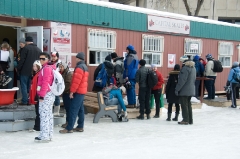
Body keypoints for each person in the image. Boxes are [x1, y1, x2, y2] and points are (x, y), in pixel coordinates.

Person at [59, 52, 89, 134]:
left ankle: (69, 128)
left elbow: (76, 82)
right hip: (82, 91)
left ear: (78, 58)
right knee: (80, 109)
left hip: (78, 91)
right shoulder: (85, 67)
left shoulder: (79, 67)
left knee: (73, 109)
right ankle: (80, 126)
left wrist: (72, 91)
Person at [35, 52, 56, 143]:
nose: (41, 60)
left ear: (47, 59)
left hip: (46, 94)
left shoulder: (46, 69)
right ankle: (49, 134)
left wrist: (42, 95)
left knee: (44, 115)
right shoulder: (49, 67)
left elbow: (45, 83)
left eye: (43, 59)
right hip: (49, 93)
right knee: (48, 115)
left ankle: (44, 135)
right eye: (40, 58)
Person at [18, 36, 41, 105]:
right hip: (34, 72)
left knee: (24, 86)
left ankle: (25, 100)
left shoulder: (25, 48)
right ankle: (30, 100)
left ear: (26, 41)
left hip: (25, 71)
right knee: (31, 86)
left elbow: (22, 60)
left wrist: (19, 68)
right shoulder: (38, 49)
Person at [175, 56, 196, 125]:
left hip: (184, 90)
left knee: (184, 105)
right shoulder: (193, 68)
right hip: (191, 89)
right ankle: (190, 120)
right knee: (189, 105)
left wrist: (177, 89)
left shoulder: (185, 69)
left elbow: (182, 80)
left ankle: (185, 119)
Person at [29, 60, 42, 131]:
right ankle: (37, 126)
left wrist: (37, 95)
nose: (34, 67)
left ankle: (37, 127)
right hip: (36, 95)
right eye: (33, 66)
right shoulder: (35, 74)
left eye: (35, 66)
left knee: (38, 112)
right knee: (37, 111)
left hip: (37, 95)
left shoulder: (38, 74)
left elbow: (38, 86)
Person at [59, 62, 73, 128]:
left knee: (68, 108)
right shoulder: (63, 73)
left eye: (61, 67)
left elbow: (68, 84)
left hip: (67, 93)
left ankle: (69, 122)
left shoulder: (68, 73)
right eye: (60, 67)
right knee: (67, 108)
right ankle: (67, 122)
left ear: (64, 67)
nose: (60, 68)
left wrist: (62, 90)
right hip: (65, 92)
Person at [50, 52, 62, 116]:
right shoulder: (50, 63)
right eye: (52, 56)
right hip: (51, 82)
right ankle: (51, 110)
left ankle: (56, 111)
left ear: (57, 57)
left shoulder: (59, 64)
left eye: (54, 56)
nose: (53, 58)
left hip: (57, 82)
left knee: (57, 96)